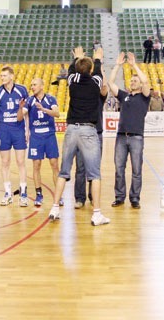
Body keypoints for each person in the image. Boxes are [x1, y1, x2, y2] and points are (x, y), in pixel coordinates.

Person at [48, 46, 110, 226]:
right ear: (91, 70)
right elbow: (97, 71)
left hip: (71, 129)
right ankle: (96, 213)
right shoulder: (96, 82)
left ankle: (54, 208)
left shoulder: (72, 80)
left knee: (63, 171)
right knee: (94, 174)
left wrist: (78, 57)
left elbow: (72, 69)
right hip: (88, 130)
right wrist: (98, 58)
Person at [108, 51, 151, 209]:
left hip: (136, 138)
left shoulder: (144, 97)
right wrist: (118, 66)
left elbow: (146, 82)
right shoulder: (124, 95)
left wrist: (134, 66)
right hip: (121, 137)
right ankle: (119, 197)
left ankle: (135, 198)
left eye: (135, 80)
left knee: (136, 170)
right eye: (131, 80)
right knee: (119, 168)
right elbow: (111, 83)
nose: (133, 82)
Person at [17, 78, 59, 207]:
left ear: (42, 85)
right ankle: (39, 194)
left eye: (34, 85)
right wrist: (20, 108)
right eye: (31, 85)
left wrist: (43, 109)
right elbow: (19, 118)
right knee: (36, 165)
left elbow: (56, 113)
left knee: (54, 164)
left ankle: (58, 195)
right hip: (36, 137)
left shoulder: (50, 99)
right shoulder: (29, 101)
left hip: (50, 135)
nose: (32, 87)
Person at [0, 66, 29, 206]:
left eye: (5, 75)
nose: (2, 78)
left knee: (20, 162)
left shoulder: (22, 90)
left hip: (18, 130)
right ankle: (7, 193)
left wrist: (27, 130)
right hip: (4, 131)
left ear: (11, 76)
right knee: (5, 162)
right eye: (1, 76)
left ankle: (23, 193)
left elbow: (27, 111)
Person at [74, 67, 108, 209]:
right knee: (80, 168)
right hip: (81, 133)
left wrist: (100, 70)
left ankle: (93, 196)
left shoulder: (99, 95)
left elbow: (105, 87)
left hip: (96, 133)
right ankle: (79, 198)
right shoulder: (81, 91)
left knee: (94, 168)